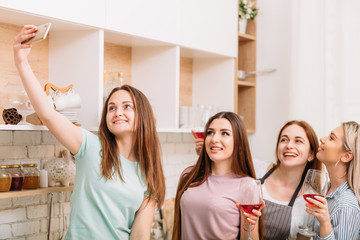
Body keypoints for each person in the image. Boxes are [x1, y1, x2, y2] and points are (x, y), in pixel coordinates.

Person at [13, 25, 165, 240]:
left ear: (144, 116)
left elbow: (140, 235)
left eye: (127, 106)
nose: (117, 112)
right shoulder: (90, 146)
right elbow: (47, 113)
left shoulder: (149, 172)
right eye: (111, 107)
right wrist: (21, 60)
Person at [173, 112, 264, 240]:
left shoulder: (247, 185)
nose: (214, 139)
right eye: (210, 132)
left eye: (225, 133)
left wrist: (249, 225)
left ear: (239, 142)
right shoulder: (189, 175)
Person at [258, 121, 322, 240]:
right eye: (284, 140)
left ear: (311, 155)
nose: (289, 146)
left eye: (298, 141)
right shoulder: (256, 170)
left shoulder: (309, 201)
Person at [302, 121, 360, 239]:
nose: (322, 139)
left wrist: (325, 224)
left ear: (346, 156)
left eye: (332, 138)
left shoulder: (346, 206)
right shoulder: (327, 190)